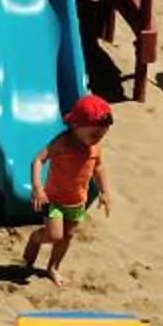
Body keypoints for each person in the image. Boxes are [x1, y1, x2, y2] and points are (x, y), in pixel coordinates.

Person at [24, 93, 113, 277]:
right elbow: (38, 160)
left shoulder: (95, 148)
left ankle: (53, 267)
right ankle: (35, 238)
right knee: (54, 235)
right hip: (54, 201)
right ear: (75, 126)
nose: (97, 139)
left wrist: (105, 191)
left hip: (77, 202)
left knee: (67, 237)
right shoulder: (62, 143)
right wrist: (37, 187)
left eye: (102, 135)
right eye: (94, 134)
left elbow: (99, 167)